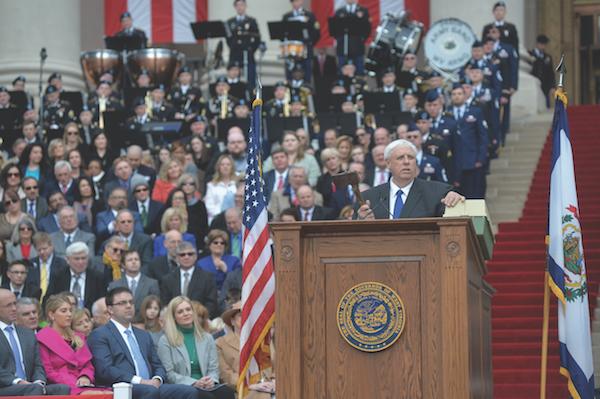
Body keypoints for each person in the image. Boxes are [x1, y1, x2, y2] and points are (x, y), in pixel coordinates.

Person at [87, 287, 199, 399]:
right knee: (149, 392)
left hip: (151, 385)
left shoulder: (143, 335)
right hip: (122, 387)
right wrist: (141, 381)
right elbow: (105, 370)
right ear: (110, 309)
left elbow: (158, 365)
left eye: (131, 302)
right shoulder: (100, 335)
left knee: (189, 391)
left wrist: (157, 379)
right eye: (122, 303)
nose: (128, 306)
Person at [356, 140, 465, 220]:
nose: (406, 162)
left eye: (411, 157)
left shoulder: (438, 193)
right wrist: (360, 222)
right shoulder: (368, 198)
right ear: (388, 163)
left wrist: (454, 198)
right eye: (400, 158)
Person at [156, 296, 235, 399]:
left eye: (188, 309)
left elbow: (213, 368)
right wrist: (194, 383)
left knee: (227, 392)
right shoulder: (166, 340)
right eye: (180, 312)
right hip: (182, 387)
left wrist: (211, 380)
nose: (186, 313)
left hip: (206, 386)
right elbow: (169, 374)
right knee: (206, 397)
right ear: (174, 317)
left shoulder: (207, 338)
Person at [0, 288, 71, 396]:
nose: (14, 308)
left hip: (31, 387)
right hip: (5, 387)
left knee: (63, 389)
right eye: (8, 305)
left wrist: (39, 382)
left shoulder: (27, 334)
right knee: (33, 389)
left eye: (15, 304)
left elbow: (38, 365)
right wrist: (18, 381)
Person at [36, 294, 109, 395]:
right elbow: (48, 372)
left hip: (84, 384)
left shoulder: (78, 337)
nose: (69, 314)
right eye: (64, 311)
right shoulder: (43, 338)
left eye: (70, 310)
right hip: (62, 388)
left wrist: (85, 377)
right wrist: (74, 383)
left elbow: (88, 365)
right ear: (51, 315)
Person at [160, 242, 218, 319]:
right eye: (182, 254)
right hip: (175, 321)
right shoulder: (167, 279)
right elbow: (165, 303)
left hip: (200, 321)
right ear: (177, 258)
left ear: (196, 256)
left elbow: (211, 303)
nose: (186, 257)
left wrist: (199, 317)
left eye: (190, 254)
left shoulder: (207, 278)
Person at [45, 242, 108, 310]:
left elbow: (103, 302)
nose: (80, 262)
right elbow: (49, 300)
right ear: (68, 260)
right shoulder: (58, 276)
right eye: (77, 259)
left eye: (83, 258)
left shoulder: (98, 277)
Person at [108, 250, 160, 316]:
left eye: (136, 259)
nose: (134, 262)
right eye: (130, 260)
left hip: (144, 322)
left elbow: (155, 306)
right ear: (123, 265)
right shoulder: (115, 285)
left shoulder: (152, 283)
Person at [226, 0, 260, 87]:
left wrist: (251, 49)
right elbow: (228, 39)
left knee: (250, 79)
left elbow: (257, 38)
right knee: (234, 78)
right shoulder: (230, 22)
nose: (240, 7)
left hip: (248, 54)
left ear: (245, 6)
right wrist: (235, 47)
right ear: (235, 7)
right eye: (238, 5)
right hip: (235, 54)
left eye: (242, 5)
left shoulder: (251, 21)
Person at [333, 0, 370, 74]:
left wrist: (361, 39)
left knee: (359, 71)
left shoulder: (363, 11)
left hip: (358, 47)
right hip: (343, 47)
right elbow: (334, 30)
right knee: (342, 72)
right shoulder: (339, 11)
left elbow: (367, 29)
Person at [204, 155, 238, 223]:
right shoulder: (211, 185)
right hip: (217, 219)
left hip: (236, 218)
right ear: (218, 167)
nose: (225, 167)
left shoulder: (238, 183)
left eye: (228, 164)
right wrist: (222, 215)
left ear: (232, 167)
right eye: (222, 164)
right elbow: (209, 206)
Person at [215, 302, 241, 390]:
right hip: (239, 390)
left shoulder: (263, 341)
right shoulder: (220, 343)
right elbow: (225, 374)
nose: (246, 318)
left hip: (266, 387)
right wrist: (247, 384)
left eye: (248, 314)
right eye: (241, 315)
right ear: (232, 321)